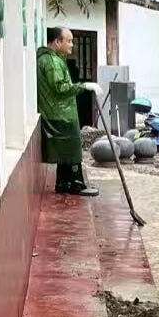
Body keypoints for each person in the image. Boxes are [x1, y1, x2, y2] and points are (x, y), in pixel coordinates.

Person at [36, 27, 101, 196]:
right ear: (57, 41)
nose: (72, 45)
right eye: (69, 41)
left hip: (57, 112)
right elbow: (59, 88)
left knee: (65, 151)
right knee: (72, 150)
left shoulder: (51, 59)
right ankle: (75, 183)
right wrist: (84, 86)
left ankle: (63, 182)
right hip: (60, 115)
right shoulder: (52, 62)